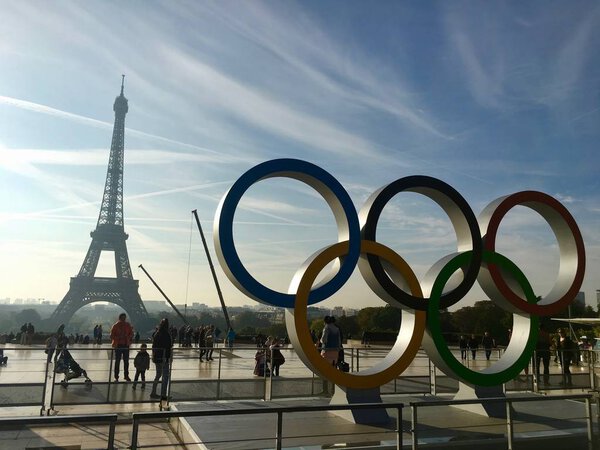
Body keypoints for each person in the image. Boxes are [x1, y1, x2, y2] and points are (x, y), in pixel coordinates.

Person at [150, 318, 173, 400]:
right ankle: (163, 394)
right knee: (165, 376)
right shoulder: (166, 334)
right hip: (164, 358)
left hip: (157, 357)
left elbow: (154, 345)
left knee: (158, 375)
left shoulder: (157, 333)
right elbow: (169, 346)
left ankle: (153, 392)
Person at [110, 313, 134, 382]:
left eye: (124, 318)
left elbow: (131, 334)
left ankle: (125, 376)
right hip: (119, 345)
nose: (124, 319)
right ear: (120, 318)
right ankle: (117, 376)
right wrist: (119, 337)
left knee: (125, 362)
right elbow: (111, 336)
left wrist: (127, 337)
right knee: (118, 361)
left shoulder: (126, 325)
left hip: (124, 345)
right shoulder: (116, 326)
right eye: (122, 318)